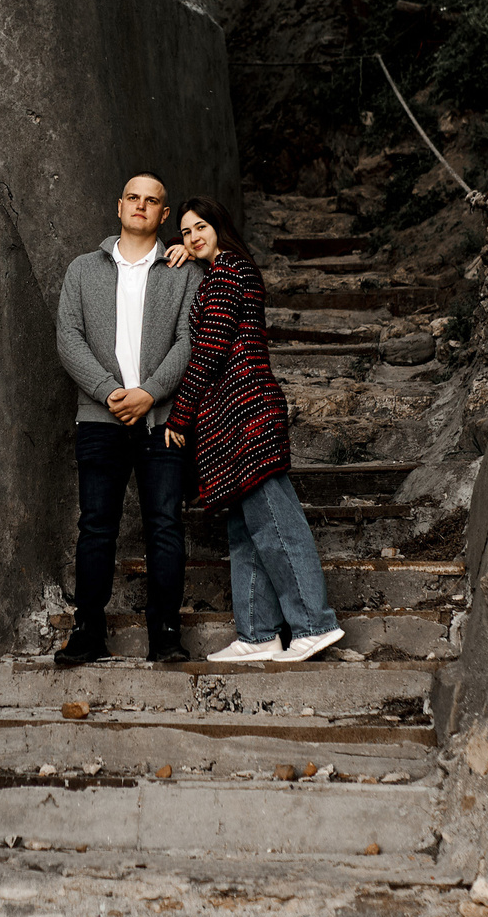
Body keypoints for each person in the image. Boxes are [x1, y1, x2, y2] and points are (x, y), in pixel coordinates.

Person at [162, 198, 343, 663]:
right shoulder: (224, 270)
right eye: (185, 232)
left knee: (276, 521)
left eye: (201, 226)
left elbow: (210, 350)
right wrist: (182, 253)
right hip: (232, 416)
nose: (194, 236)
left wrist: (180, 414)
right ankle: (258, 633)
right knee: (246, 529)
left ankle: (313, 623)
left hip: (246, 413)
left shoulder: (227, 272)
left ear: (221, 225)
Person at [54, 174, 203, 666]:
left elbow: (190, 341)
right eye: (133, 198)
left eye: (152, 201)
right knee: (96, 525)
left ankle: (164, 633)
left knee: (165, 525)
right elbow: (68, 339)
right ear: (119, 206)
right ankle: (88, 631)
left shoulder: (183, 272)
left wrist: (149, 394)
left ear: (164, 216)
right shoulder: (81, 269)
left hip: (162, 420)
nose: (141, 206)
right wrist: (110, 392)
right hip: (100, 418)